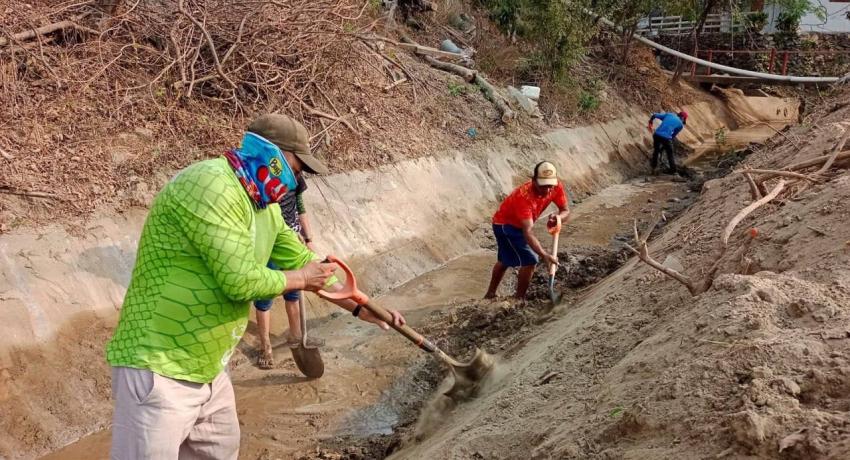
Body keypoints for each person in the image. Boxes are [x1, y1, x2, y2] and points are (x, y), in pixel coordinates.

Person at [104, 113, 405, 459]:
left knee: (221, 449)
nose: (298, 180)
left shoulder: (264, 206)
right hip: (159, 365)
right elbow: (239, 280)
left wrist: (360, 306)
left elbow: (306, 263)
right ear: (272, 155)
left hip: (208, 368)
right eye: (297, 168)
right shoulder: (210, 185)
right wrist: (303, 280)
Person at [253, 170, 318, 369]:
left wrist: (308, 238)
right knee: (265, 296)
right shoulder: (265, 177)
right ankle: (265, 346)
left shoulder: (296, 177)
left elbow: (300, 208)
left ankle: (297, 338)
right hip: (271, 244)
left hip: (292, 243)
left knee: (294, 293)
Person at [484, 161, 570, 300]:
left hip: (518, 225)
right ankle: (519, 299)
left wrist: (558, 218)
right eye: (544, 186)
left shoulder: (555, 186)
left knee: (505, 260)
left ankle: (490, 294)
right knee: (530, 260)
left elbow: (565, 210)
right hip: (505, 226)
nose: (548, 190)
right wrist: (544, 255)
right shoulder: (524, 197)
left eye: (550, 186)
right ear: (534, 181)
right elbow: (528, 232)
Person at [648, 110, 688, 175]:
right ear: (683, 118)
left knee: (656, 151)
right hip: (666, 138)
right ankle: (673, 171)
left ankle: (654, 168)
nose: (684, 121)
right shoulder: (680, 125)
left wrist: (650, 122)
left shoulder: (669, 114)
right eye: (684, 119)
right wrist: (664, 146)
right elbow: (672, 136)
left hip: (656, 135)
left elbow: (654, 115)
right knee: (670, 154)